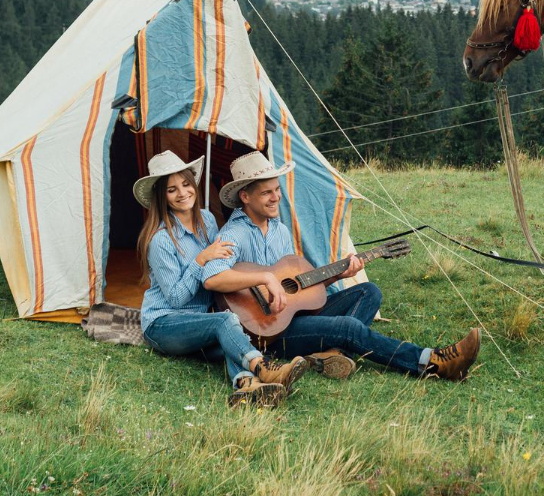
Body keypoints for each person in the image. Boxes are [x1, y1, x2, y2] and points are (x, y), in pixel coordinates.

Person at [201, 151, 481, 380]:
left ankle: (330, 355)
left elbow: (297, 287)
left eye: (277, 190)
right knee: (348, 327)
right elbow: (212, 279)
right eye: (266, 193)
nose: (276, 198)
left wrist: (339, 275)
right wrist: (264, 278)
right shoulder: (233, 233)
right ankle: (432, 362)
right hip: (268, 334)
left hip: (291, 316)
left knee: (367, 291)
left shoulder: (279, 230)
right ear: (245, 197)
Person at [135, 150, 308, 407]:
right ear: (162, 197)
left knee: (234, 335)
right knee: (225, 321)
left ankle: (247, 386)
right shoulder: (160, 240)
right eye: (172, 190)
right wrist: (200, 260)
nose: (183, 193)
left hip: (204, 320)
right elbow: (175, 299)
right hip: (164, 323)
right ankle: (265, 369)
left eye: (185, 184)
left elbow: (222, 268)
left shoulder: (207, 219)